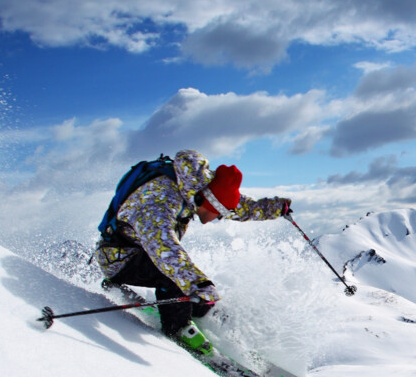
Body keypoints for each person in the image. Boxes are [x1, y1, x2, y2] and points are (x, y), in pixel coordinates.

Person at [95, 149, 291, 356]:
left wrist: (276, 208)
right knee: (176, 279)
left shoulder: (198, 188)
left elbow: (239, 206)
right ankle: (177, 331)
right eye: (219, 214)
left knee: (197, 294)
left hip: (144, 253)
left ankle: (196, 315)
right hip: (119, 258)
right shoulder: (159, 199)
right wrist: (198, 283)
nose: (219, 218)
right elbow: (164, 248)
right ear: (206, 203)